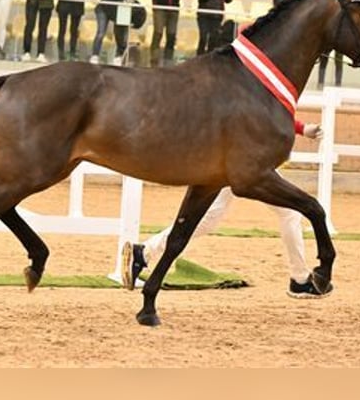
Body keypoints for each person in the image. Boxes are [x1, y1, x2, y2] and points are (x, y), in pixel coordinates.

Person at [121, 123, 326, 298]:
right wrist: (299, 128)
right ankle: (299, 279)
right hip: (242, 160)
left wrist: (300, 128)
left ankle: (143, 253)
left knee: (209, 219)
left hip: (238, 157)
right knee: (289, 212)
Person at [89, 0, 146, 66]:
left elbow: (120, 32)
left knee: (120, 35)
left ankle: (118, 57)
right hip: (102, 8)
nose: (130, 26)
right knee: (101, 33)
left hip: (116, 8)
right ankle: (95, 56)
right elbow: (119, 30)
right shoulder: (127, 10)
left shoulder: (138, 10)